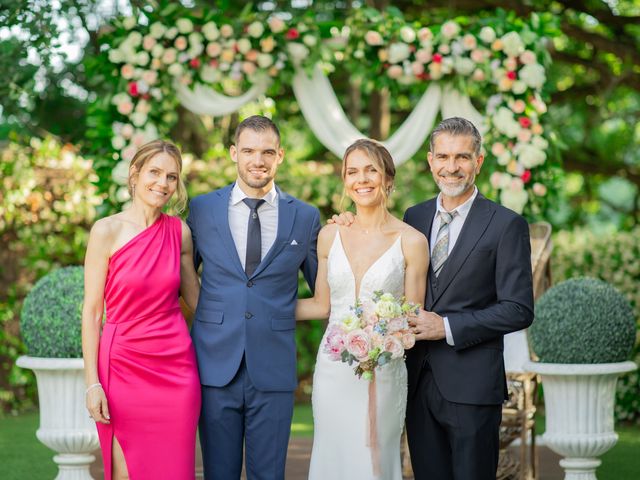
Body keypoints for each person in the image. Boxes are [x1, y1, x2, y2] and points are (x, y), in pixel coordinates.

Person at [187, 115, 320, 480]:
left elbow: (325, 288)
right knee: (219, 472)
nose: (257, 161)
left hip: (273, 366)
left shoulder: (306, 217)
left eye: (266, 152)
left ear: (280, 155)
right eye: (248, 151)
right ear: (233, 153)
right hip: (214, 363)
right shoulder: (201, 210)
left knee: (269, 474)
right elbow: (183, 278)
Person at [402, 117, 534, 479]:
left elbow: (518, 309)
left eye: (462, 157)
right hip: (418, 382)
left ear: (478, 162)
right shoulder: (413, 217)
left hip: (473, 385)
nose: (451, 167)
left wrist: (445, 326)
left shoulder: (506, 225)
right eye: (443, 157)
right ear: (430, 161)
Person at [297, 138, 429, 479]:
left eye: (371, 170)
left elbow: (414, 318)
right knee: (333, 455)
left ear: (387, 178)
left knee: (375, 460)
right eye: (352, 171)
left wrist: (383, 340)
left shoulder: (412, 241)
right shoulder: (330, 235)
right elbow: (320, 305)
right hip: (333, 368)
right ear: (344, 181)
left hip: (384, 369)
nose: (362, 179)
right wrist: (258, 309)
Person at [82, 140, 201, 480]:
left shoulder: (180, 233)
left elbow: (197, 301)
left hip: (176, 370)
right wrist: (92, 384)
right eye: (155, 172)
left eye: (172, 177)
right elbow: (91, 313)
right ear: (135, 174)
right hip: (122, 368)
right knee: (125, 472)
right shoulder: (106, 230)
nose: (162, 183)